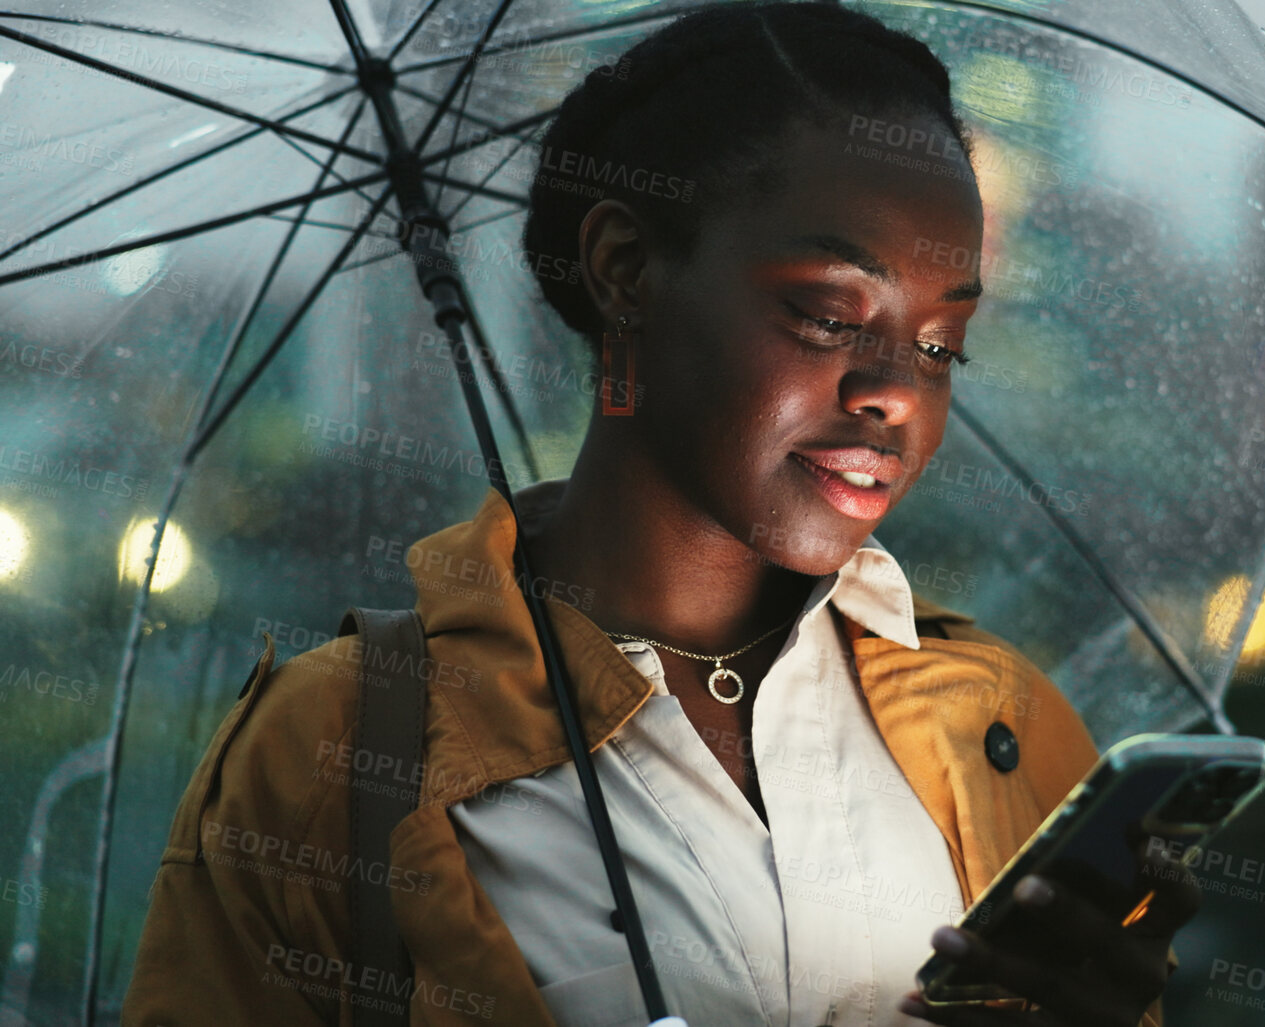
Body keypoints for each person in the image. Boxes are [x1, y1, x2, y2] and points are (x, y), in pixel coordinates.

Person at [123, 3, 1197, 1025]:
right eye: (830, 315)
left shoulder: (1006, 732)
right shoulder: (335, 754)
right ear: (625, 268)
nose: (899, 391)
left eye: (941, 344)